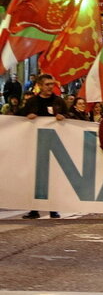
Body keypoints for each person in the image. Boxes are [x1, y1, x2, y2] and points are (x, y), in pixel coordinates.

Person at [19, 74, 68, 219]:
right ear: (40, 85)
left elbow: (71, 116)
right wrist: (27, 116)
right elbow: (18, 116)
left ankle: (53, 209)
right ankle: (34, 210)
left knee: (53, 178)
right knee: (35, 178)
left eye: (52, 84)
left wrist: (64, 116)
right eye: (47, 84)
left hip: (54, 146)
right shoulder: (33, 101)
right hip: (35, 146)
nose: (50, 87)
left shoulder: (58, 101)